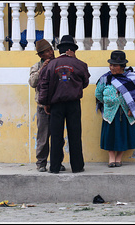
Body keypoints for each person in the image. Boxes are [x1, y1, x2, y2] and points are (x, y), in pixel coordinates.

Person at [38, 35, 90, 174]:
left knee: (56, 137)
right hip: (73, 104)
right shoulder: (80, 64)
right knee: (75, 135)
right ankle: (77, 166)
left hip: (56, 105)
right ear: (71, 49)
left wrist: (45, 103)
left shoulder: (50, 65)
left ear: (60, 49)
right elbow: (85, 82)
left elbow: (44, 85)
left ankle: (54, 167)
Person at [95, 50, 135, 168]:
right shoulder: (105, 78)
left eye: (115, 65)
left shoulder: (131, 78)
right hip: (110, 113)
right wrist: (108, 103)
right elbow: (98, 93)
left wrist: (132, 109)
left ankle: (119, 158)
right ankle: (111, 157)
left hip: (125, 113)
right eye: (111, 65)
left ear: (122, 66)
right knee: (110, 136)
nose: (112, 68)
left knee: (124, 135)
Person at [28, 39, 65, 173]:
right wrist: (43, 69)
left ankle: (57, 161)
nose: (50, 53)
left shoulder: (58, 64)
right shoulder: (36, 66)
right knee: (43, 136)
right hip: (42, 106)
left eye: (51, 50)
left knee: (58, 137)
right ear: (41, 55)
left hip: (56, 105)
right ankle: (41, 162)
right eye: (47, 51)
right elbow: (32, 83)